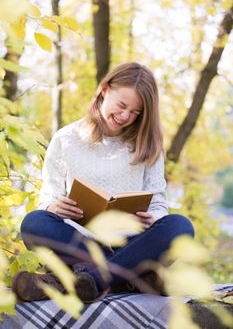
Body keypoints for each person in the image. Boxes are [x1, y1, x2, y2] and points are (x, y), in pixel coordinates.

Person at [13, 62, 194, 303]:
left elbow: (158, 204)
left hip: (130, 243)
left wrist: (156, 218)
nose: (126, 116)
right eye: (122, 105)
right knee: (34, 222)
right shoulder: (66, 139)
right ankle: (130, 277)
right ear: (104, 90)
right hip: (80, 242)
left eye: (136, 112)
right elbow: (47, 197)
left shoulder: (148, 146)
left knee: (180, 227)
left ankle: (90, 280)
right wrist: (52, 207)